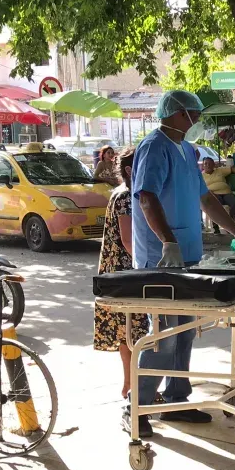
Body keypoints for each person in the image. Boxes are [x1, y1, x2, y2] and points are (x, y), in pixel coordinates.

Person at [124, 89, 235, 439]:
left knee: (186, 332)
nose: (198, 118)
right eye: (194, 113)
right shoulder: (155, 146)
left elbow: (204, 197)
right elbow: (146, 196)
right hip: (161, 258)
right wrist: (168, 241)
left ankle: (177, 399)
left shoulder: (188, 150)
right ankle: (136, 406)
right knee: (165, 337)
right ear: (178, 113)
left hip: (188, 255)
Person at [93, 147, 149, 399]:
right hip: (126, 272)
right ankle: (133, 386)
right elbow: (128, 240)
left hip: (118, 272)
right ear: (129, 170)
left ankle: (131, 384)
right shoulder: (126, 196)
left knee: (127, 331)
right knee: (132, 331)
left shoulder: (122, 193)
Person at [201, 157, 235, 232]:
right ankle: (216, 228)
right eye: (205, 164)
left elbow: (231, 168)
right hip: (213, 194)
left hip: (226, 193)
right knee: (213, 205)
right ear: (203, 166)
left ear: (214, 165)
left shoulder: (219, 170)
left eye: (210, 163)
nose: (208, 165)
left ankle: (232, 223)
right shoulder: (201, 176)